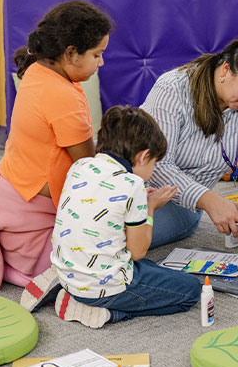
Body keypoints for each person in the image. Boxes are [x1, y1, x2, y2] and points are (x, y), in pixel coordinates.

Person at [0, 0, 112, 291]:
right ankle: (33, 265)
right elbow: (89, 170)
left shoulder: (36, 70)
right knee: (163, 220)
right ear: (70, 53)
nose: (101, 62)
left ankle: (15, 256)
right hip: (34, 221)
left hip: (14, 197)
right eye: (97, 54)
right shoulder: (65, 96)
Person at [49, 106, 201, 328]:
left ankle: (73, 296)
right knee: (191, 289)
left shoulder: (80, 166)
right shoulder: (133, 185)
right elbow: (138, 252)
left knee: (155, 269)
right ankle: (110, 314)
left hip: (68, 277)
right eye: (154, 163)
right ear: (143, 156)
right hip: (106, 288)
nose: (153, 170)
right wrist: (150, 207)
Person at [140, 33, 238, 248]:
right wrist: (209, 199)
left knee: (128, 239)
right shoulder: (172, 88)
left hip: (184, 204)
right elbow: (158, 164)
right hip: (137, 188)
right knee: (106, 237)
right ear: (226, 69)